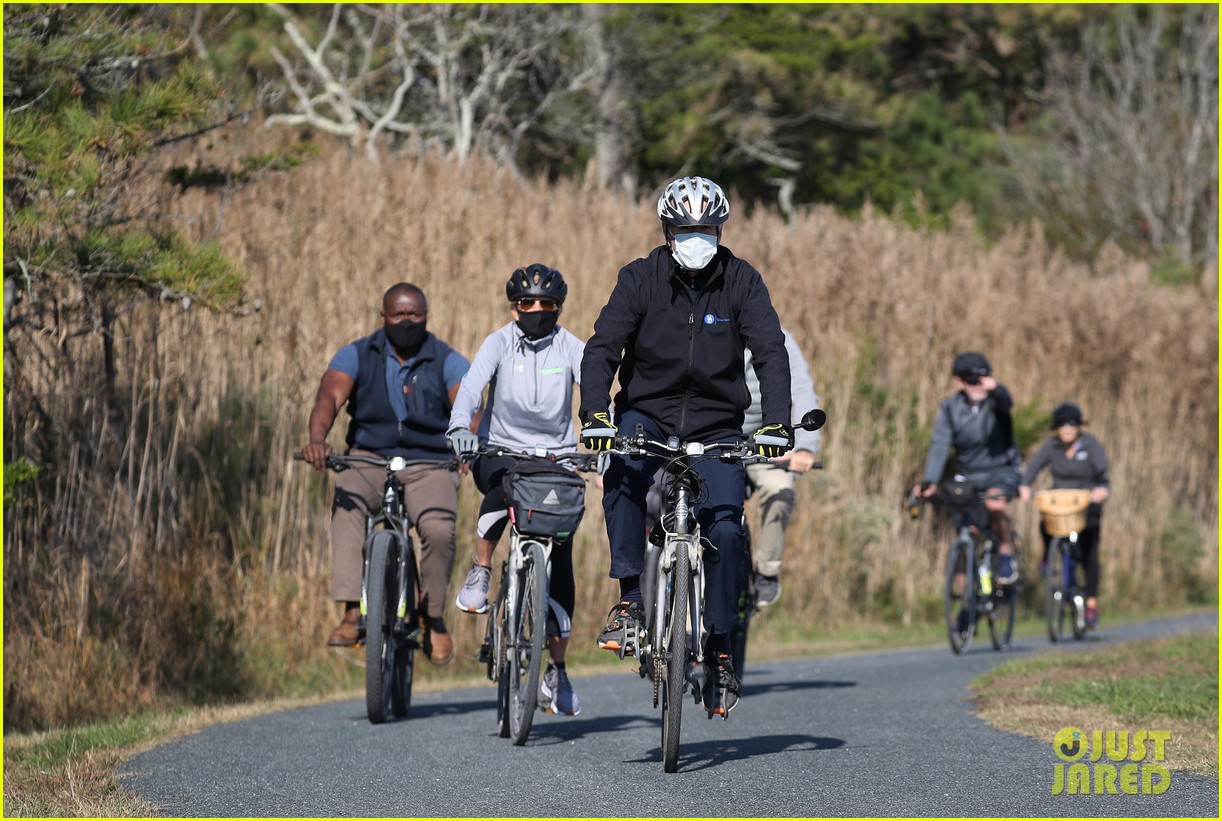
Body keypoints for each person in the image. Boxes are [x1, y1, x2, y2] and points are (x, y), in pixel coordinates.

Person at [579, 175, 794, 717]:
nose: (696, 238)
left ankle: (720, 651)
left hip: (717, 425)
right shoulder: (639, 278)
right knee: (622, 474)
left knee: (726, 526)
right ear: (667, 230)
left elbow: (770, 350)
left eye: (706, 228)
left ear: (720, 229)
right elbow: (602, 348)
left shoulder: (742, 281)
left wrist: (776, 424)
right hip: (645, 415)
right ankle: (629, 597)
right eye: (685, 229)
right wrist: (597, 415)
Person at [445, 264, 587, 716]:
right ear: (514, 307)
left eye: (547, 304)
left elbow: (601, 393)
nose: (538, 311)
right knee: (506, 482)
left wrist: (609, 437)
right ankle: (482, 569)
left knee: (561, 557)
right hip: (501, 451)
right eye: (528, 303)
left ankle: (557, 672)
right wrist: (459, 429)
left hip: (557, 459)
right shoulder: (498, 342)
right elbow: (470, 390)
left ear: (559, 307)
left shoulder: (572, 347)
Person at [301, 282, 468, 666]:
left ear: (426, 316)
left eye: (415, 315)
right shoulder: (358, 353)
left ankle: (433, 615)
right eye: (399, 315)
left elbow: (468, 405)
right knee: (347, 505)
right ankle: (350, 610)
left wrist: (467, 444)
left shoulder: (447, 359)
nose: (407, 321)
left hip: (429, 461)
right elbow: (329, 395)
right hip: (369, 456)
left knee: (440, 529)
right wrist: (317, 439)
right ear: (383, 317)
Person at [913, 351, 1022, 587]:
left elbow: (1007, 402)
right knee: (965, 532)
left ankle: (1005, 554)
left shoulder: (995, 402)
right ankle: (965, 605)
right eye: (973, 380)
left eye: (983, 379)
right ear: (960, 381)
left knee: (995, 503)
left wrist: (996, 389)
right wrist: (930, 481)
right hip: (968, 475)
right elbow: (940, 445)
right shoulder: (950, 408)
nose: (979, 385)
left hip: (1000, 469)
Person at [742, 327, 821, 608]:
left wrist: (803, 447)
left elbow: (799, 389)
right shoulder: (702, 329)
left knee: (780, 491)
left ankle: (766, 571)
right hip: (711, 442)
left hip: (765, 446)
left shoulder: (779, 338)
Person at [1019, 402, 1110, 626]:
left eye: (1071, 424)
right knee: (1045, 522)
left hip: (1086, 505)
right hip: (1060, 502)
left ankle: (1090, 604)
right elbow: (1034, 467)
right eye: (1062, 425)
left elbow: (1102, 472)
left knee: (1089, 555)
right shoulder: (1052, 447)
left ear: (1079, 426)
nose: (1067, 429)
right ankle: (1046, 555)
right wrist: (1025, 485)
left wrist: (1101, 489)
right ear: (1056, 428)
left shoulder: (1090, 445)